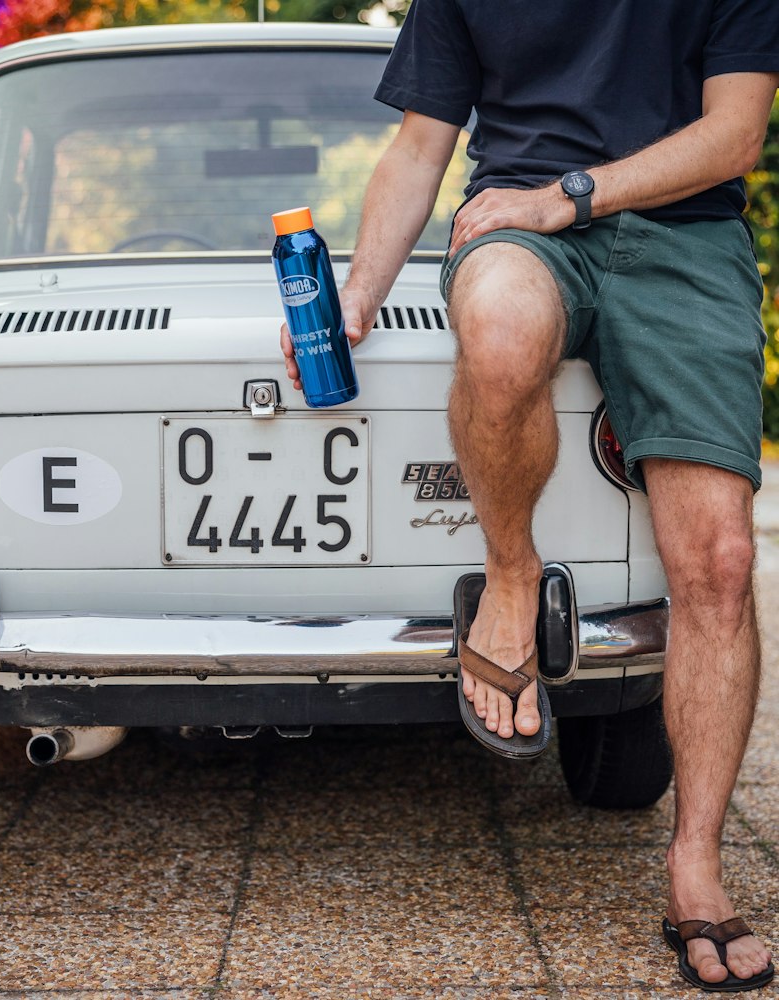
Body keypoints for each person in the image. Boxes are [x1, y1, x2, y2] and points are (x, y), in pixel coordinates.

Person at [280, 0, 778, 991]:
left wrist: (570, 194)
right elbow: (422, 145)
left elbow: (733, 137)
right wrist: (355, 292)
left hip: (681, 241)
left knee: (718, 561)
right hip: (520, 233)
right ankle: (511, 577)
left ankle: (694, 864)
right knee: (500, 330)